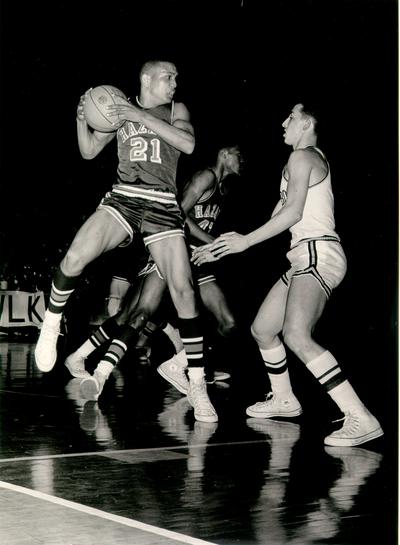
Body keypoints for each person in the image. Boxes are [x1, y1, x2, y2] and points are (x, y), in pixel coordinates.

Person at [34, 59, 217, 423]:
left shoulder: (175, 109)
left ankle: (197, 383)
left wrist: (137, 114)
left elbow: (189, 143)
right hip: (125, 196)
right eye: (169, 77)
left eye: (177, 77)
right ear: (147, 78)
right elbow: (88, 151)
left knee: (182, 291)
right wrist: (82, 117)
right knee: (73, 258)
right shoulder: (116, 105)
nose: (175, 83)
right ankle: (51, 326)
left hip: (163, 204)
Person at [192, 103, 383, 447]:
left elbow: (293, 213)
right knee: (263, 329)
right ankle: (284, 398)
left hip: (316, 252)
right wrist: (218, 247)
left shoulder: (303, 157)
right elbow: (277, 217)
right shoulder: (297, 163)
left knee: (296, 334)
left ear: (308, 123)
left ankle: (360, 417)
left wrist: (245, 242)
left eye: (291, 117)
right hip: (302, 256)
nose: (283, 122)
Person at [65, 144, 243, 397]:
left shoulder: (222, 189)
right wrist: (213, 241)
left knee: (228, 322)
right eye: (238, 154)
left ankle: (183, 363)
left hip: (196, 258)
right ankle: (94, 367)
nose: (242, 160)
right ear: (223, 153)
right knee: (134, 314)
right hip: (173, 249)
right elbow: (177, 214)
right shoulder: (207, 177)